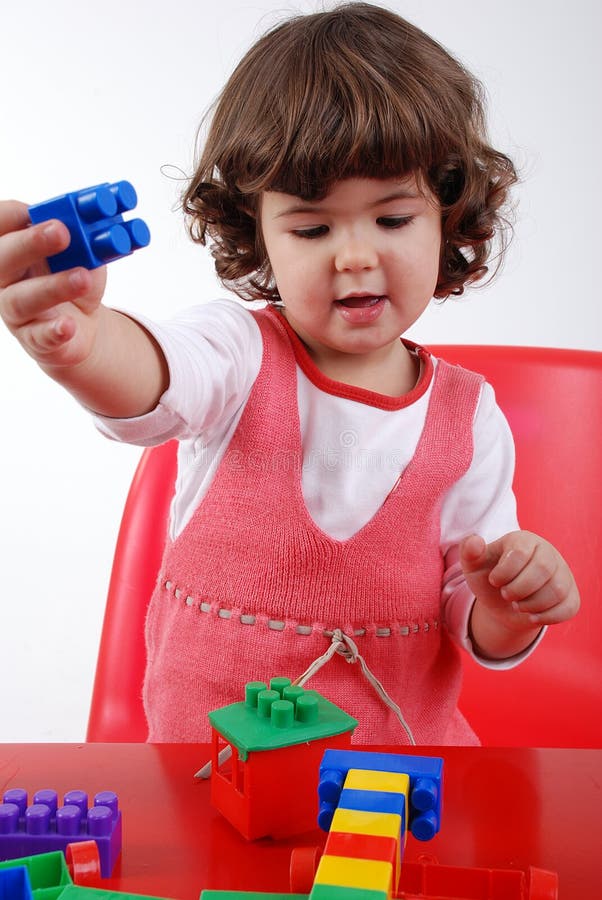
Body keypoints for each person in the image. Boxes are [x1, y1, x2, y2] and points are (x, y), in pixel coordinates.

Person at [0, 3, 579, 745]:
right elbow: (154, 375)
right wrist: (81, 346)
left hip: (395, 776)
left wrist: (503, 611)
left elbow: (470, 595)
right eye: (311, 228)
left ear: (447, 216)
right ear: (260, 235)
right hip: (208, 765)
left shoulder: (472, 417)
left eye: (393, 220)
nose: (354, 256)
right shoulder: (237, 352)